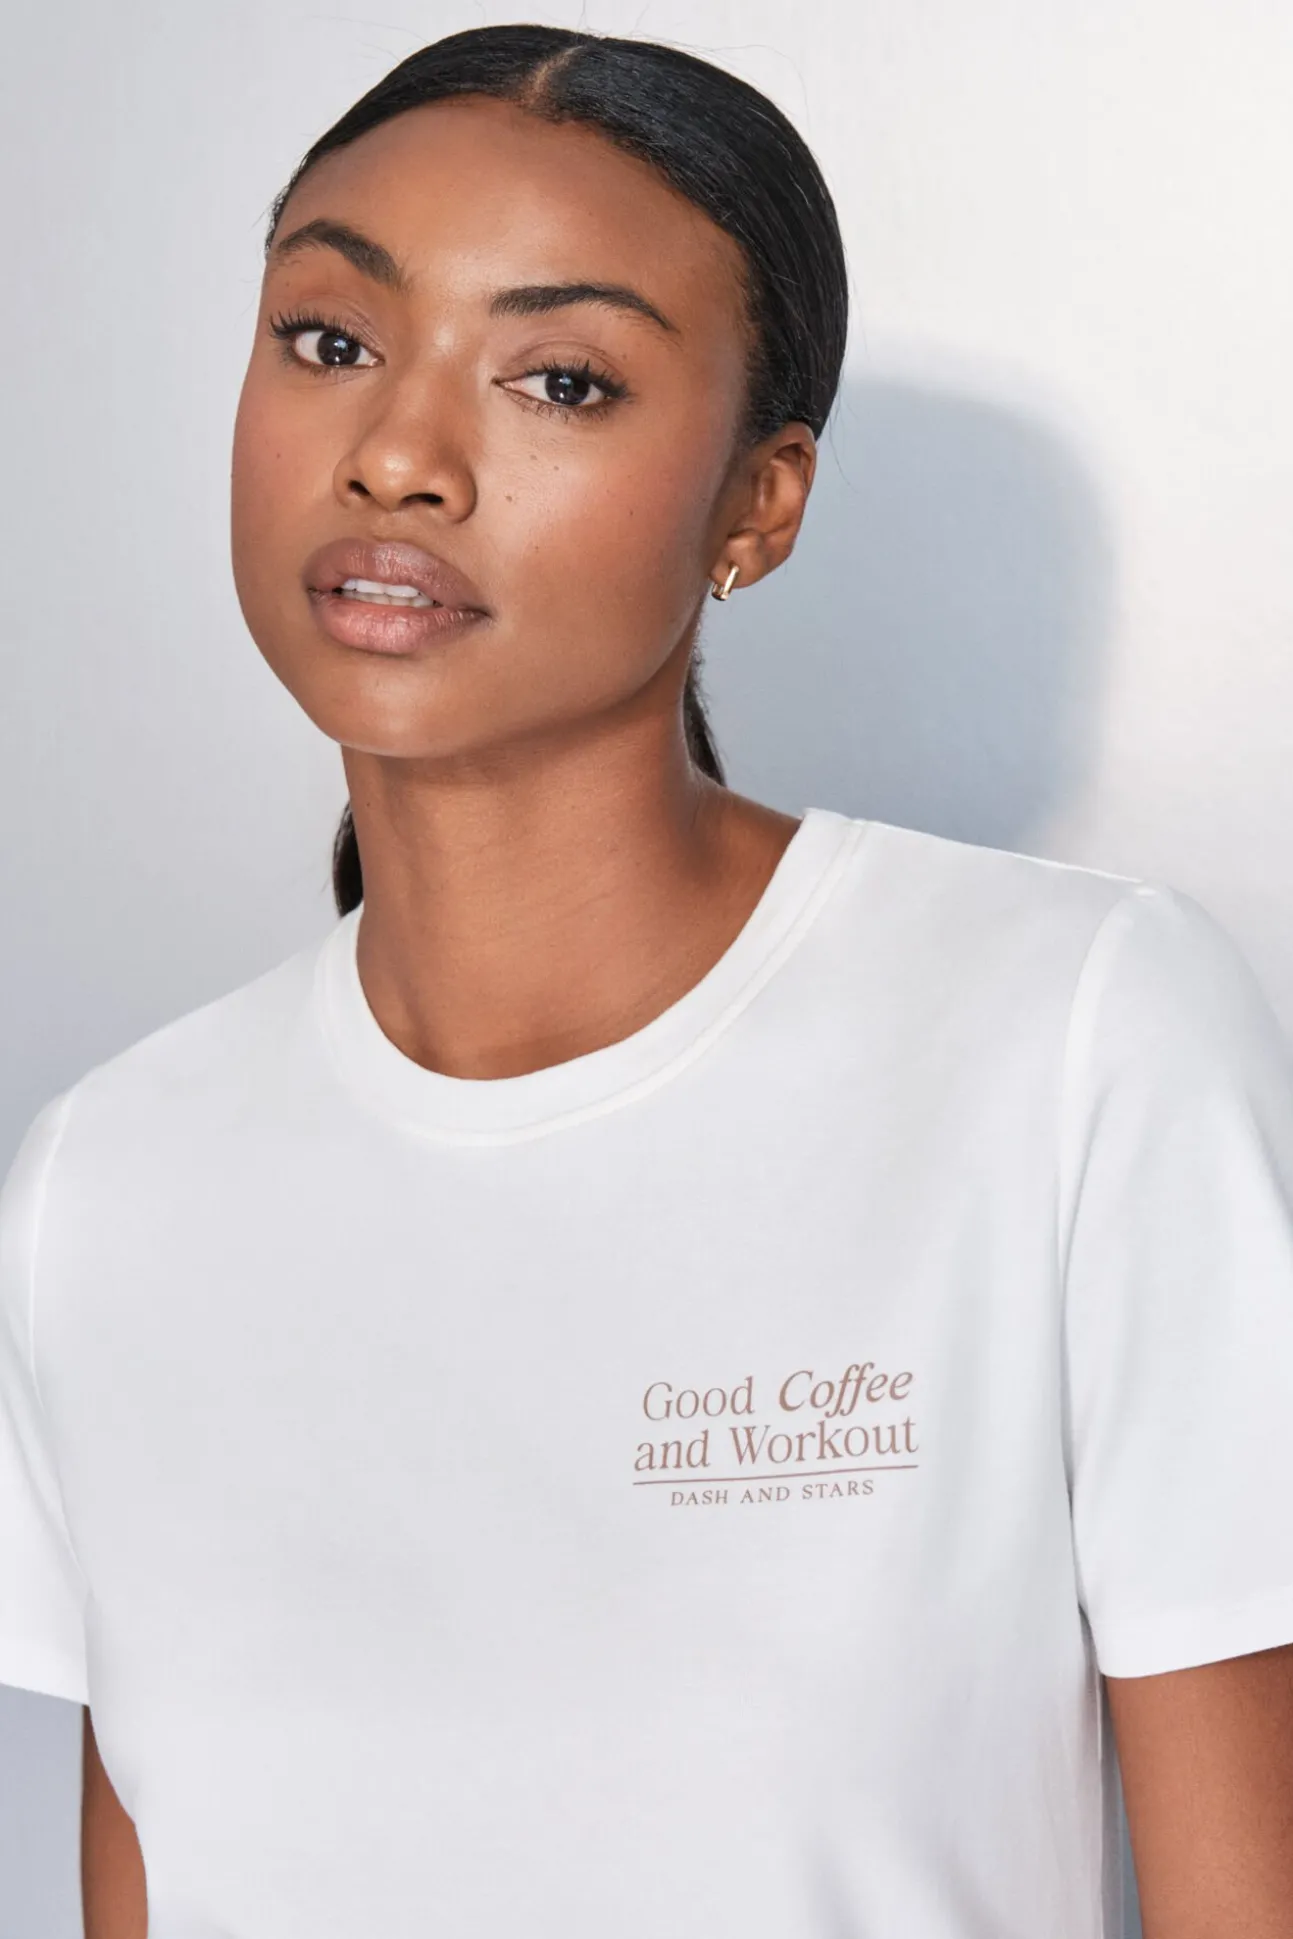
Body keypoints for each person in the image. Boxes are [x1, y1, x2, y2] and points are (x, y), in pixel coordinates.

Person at [3, 22, 1293, 1939]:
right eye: (331, 339)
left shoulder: (1075, 1039)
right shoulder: (107, 1186)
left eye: (562, 380)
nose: (397, 455)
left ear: (759, 505)